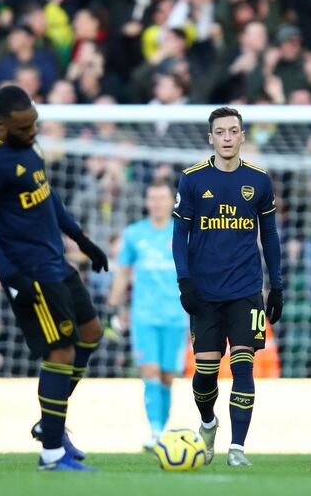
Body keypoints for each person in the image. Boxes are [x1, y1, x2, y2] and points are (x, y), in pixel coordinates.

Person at [0, 85, 108, 471]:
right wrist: (10, 275)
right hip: (30, 271)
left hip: (57, 262)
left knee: (92, 334)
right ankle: (51, 454)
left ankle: (51, 424)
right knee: (59, 351)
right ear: (0, 124)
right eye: (24, 127)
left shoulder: (30, 146)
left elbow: (49, 197)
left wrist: (82, 240)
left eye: (34, 123)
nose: (32, 132)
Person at [172, 106, 283, 467]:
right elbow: (178, 234)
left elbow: (269, 234)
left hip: (246, 288)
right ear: (211, 137)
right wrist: (184, 280)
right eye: (220, 132)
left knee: (243, 365)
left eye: (233, 131)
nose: (227, 138)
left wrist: (276, 285)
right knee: (205, 372)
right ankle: (208, 422)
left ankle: (237, 448)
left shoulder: (260, 181)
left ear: (242, 136)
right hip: (203, 290)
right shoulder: (192, 179)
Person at [108, 179, 187, 450]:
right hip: (144, 317)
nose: (156, 203)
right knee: (150, 371)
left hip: (177, 317)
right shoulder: (134, 234)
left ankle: (162, 430)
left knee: (167, 375)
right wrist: (112, 307)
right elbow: (123, 272)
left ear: (171, 201)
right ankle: (154, 431)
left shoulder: (183, 232)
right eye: (152, 198)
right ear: (147, 202)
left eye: (161, 198)